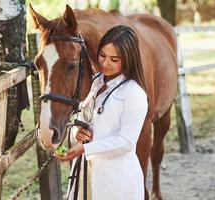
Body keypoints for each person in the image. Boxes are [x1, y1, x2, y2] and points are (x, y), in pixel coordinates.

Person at [55, 25, 148, 200]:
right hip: (85, 173)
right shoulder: (94, 82)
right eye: (102, 55)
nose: (105, 63)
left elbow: (126, 142)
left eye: (114, 59)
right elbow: (81, 117)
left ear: (128, 59)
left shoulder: (133, 93)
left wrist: (85, 148)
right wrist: (77, 132)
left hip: (116, 181)